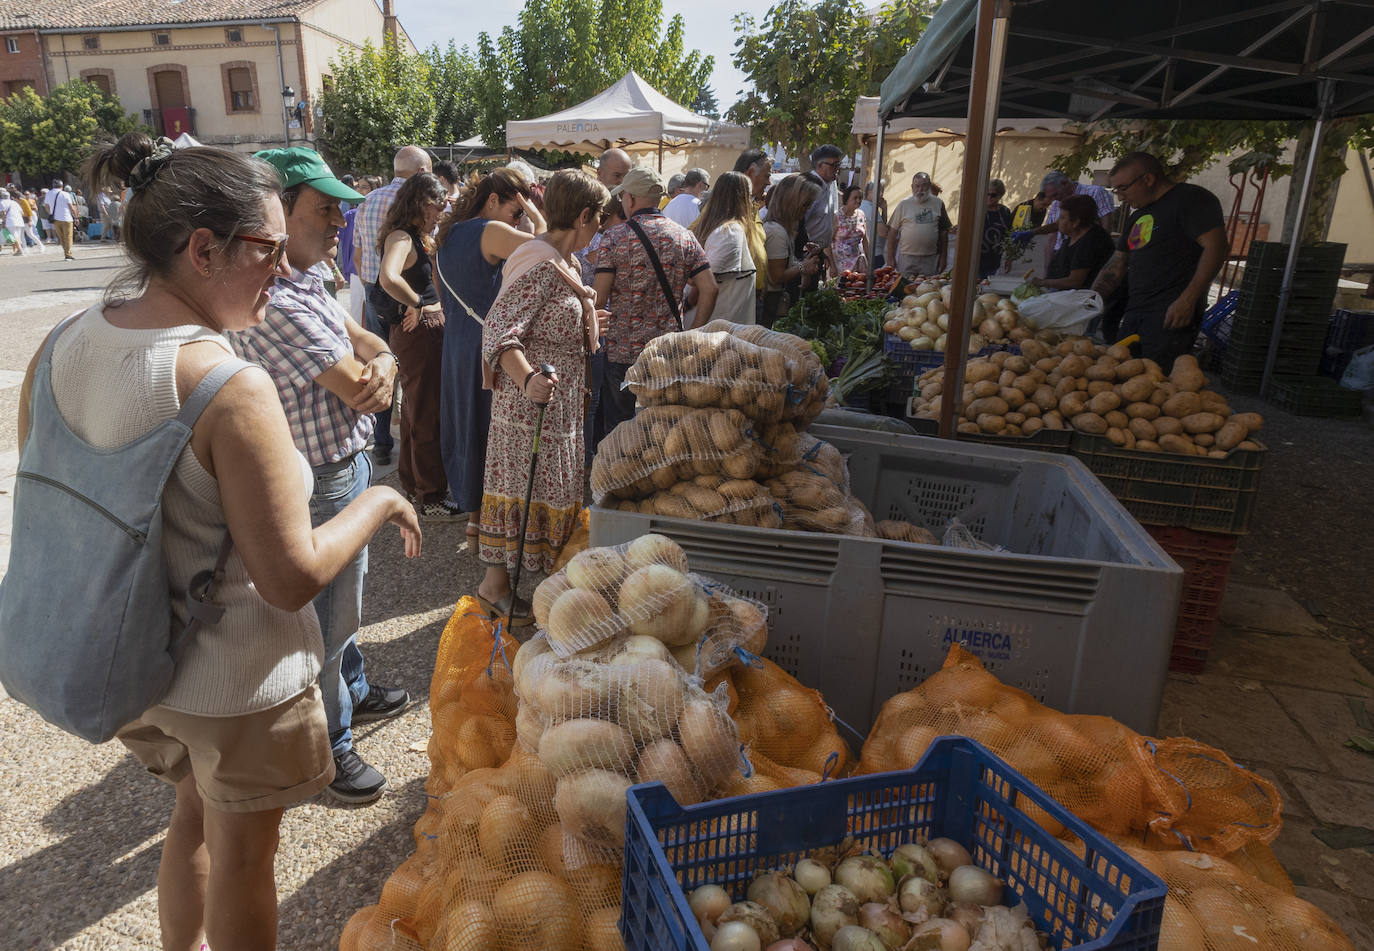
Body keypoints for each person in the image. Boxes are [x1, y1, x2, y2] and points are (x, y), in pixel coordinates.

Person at [30, 132, 420, 950]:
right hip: (234, 680)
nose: (287, 272)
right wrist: (381, 498)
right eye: (269, 251)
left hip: (132, 661)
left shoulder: (64, 341)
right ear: (203, 249)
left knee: (192, 813)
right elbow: (289, 576)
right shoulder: (229, 387)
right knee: (244, 856)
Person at [229, 146, 412, 806]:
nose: (338, 221)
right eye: (324, 208)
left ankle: (352, 692)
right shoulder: (277, 299)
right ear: (280, 211)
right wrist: (379, 363)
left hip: (346, 459)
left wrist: (385, 355)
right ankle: (329, 746)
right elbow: (359, 384)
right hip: (326, 472)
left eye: (339, 208)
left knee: (348, 605)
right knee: (328, 623)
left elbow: (367, 345)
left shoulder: (312, 276)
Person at [476, 169, 610, 620]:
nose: (600, 227)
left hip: (557, 410)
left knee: (534, 495)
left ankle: (535, 589)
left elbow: (546, 321)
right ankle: (495, 588)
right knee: (518, 491)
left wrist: (586, 325)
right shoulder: (541, 262)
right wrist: (529, 378)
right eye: (599, 219)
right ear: (585, 215)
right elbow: (498, 330)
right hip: (531, 408)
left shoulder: (563, 263)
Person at [435, 169, 545, 539]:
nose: (520, 221)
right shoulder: (489, 231)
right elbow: (543, 251)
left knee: (464, 424)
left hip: (456, 342)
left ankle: (473, 516)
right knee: (489, 427)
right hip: (486, 341)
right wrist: (538, 217)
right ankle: (488, 519)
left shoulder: (449, 233)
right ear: (493, 200)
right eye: (517, 212)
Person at [593, 166, 717, 437]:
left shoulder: (613, 239)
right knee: (664, 429)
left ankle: (621, 477)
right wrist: (694, 333)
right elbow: (710, 288)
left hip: (622, 351)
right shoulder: (684, 236)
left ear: (631, 198)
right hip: (668, 350)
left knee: (619, 430)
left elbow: (599, 298)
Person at [1092, 152, 1228, 372]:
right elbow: (1117, 264)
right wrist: (1087, 300)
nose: (1119, 197)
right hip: (1136, 311)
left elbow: (1216, 247)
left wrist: (1188, 299)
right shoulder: (1137, 216)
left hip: (1171, 315)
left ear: (1148, 179)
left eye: (1123, 188)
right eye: (1116, 190)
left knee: (1157, 383)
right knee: (1123, 373)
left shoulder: (1190, 199)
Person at [374, 172, 455, 520]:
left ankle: (416, 486)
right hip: (419, 334)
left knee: (414, 413)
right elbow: (387, 277)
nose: (439, 213)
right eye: (436, 206)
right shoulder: (402, 237)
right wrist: (417, 303)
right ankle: (430, 496)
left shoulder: (414, 236)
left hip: (422, 332)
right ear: (421, 203)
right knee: (425, 414)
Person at [353, 145, 433, 468]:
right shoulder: (419, 202)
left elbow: (358, 258)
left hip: (375, 293)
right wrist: (420, 301)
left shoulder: (368, 201)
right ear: (421, 172)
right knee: (413, 373)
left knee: (380, 365)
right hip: (408, 295)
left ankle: (382, 442)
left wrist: (372, 288)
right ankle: (414, 451)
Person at [689, 170, 760, 325]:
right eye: (750, 196)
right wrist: (694, 331)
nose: (752, 202)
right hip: (718, 327)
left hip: (717, 324)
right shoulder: (729, 232)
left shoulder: (723, 229)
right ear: (741, 198)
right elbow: (705, 283)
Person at [760, 174, 822, 326]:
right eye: (805, 204)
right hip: (770, 304)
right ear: (791, 202)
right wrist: (803, 267)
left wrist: (803, 265)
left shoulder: (781, 229)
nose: (807, 210)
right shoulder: (776, 232)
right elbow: (776, 276)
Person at [1034, 194, 1114, 290]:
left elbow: (1074, 282)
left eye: (1062, 218)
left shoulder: (1090, 242)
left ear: (1076, 222)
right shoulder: (1073, 235)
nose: (1058, 222)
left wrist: (1043, 283)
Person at [886, 171, 951, 278]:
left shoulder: (938, 203)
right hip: (907, 258)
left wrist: (944, 257)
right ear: (912, 187)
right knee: (905, 289)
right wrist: (890, 258)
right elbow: (892, 233)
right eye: (917, 186)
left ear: (929, 186)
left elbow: (944, 233)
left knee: (926, 290)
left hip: (930, 259)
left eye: (924, 186)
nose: (920, 190)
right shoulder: (904, 204)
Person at [801, 144, 842, 285]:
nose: (837, 170)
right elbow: (799, 222)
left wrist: (824, 252)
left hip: (817, 253)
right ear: (819, 165)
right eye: (834, 165)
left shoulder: (829, 186)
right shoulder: (810, 187)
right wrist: (806, 250)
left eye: (839, 165)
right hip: (805, 255)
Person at [979, 179, 1014, 278]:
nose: (989, 197)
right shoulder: (977, 209)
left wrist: (1009, 258)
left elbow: (1009, 236)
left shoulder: (1005, 212)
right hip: (975, 260)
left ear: (1000, 195)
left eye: (993, 195)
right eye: (987, 194)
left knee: (987, 289)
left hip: (993, 261)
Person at [832, 184, 868, 275]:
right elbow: (828, 242)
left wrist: (869, 260)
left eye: (860, 198)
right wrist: (832, 266)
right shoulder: (837, 216)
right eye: (855, 198)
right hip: (841, 265)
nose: (858, 200)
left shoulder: (861, 214)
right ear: (847, 199)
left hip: (859, 263)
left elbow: (865, 240)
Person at [44, 178, 76, 259]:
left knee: (61, 237)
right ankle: (68, 254)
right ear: (62, 186)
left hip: (55, 219)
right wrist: (76, 217)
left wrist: (51, 213)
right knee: (68, 236)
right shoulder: (65, 194)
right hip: (67, 218)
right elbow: (71, 207)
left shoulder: (48, 194)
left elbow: (46, 206)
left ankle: (66, 252)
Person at [1, 189, 24, 255]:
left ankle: (20, 251)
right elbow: (22, 213)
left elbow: (3, 213)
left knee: (14, 236)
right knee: (18, 236)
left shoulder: (2, 202)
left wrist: (3, 222)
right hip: (19, 220)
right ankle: (19, 250)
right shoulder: (14, 202)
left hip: (10, 221)